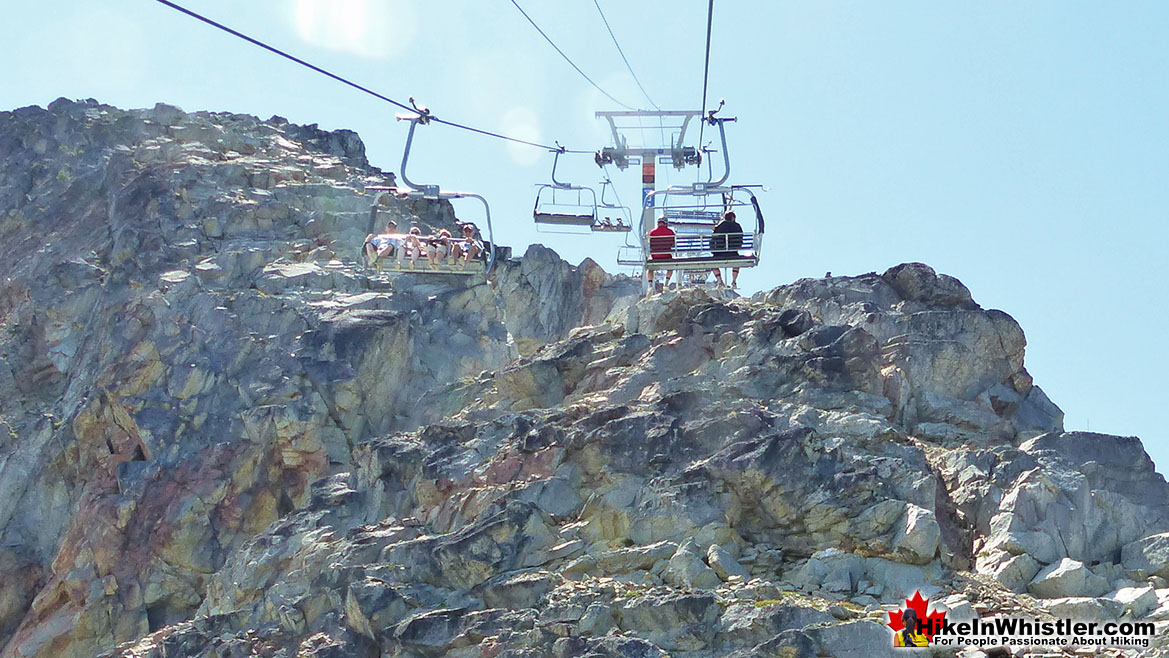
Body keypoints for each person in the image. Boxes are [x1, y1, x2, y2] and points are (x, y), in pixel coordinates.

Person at [710, 210, 744, 288]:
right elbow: (740, 238)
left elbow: (713, 239)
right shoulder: (737, 226)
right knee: (736, 263)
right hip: (732, 252)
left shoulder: (719, 226)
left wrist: (714, 251)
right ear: (733, 218)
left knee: (712, 264)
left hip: (719, 252)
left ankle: (720, 281)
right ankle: (734, 281)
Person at [648, 216, 676, 287]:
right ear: (666, 223)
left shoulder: (652, 233)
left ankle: (650, 285)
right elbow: (673, 245)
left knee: (650, 268)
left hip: (655, 257)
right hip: (666, 256)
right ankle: (666, 283)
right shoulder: (670, 232)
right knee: (670, 268)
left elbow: (650, 245)